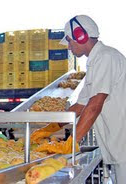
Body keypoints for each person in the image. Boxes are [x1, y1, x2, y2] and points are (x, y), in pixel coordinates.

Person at [32, 15, 126, 183]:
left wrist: (72, 142)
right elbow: (80, 106)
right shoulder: (95, 62)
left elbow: (95, 105)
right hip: (118, 147)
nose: (68, 47)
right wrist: (49, 129)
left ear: (81, 36)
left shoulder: (106, 57)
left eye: (69, 40)